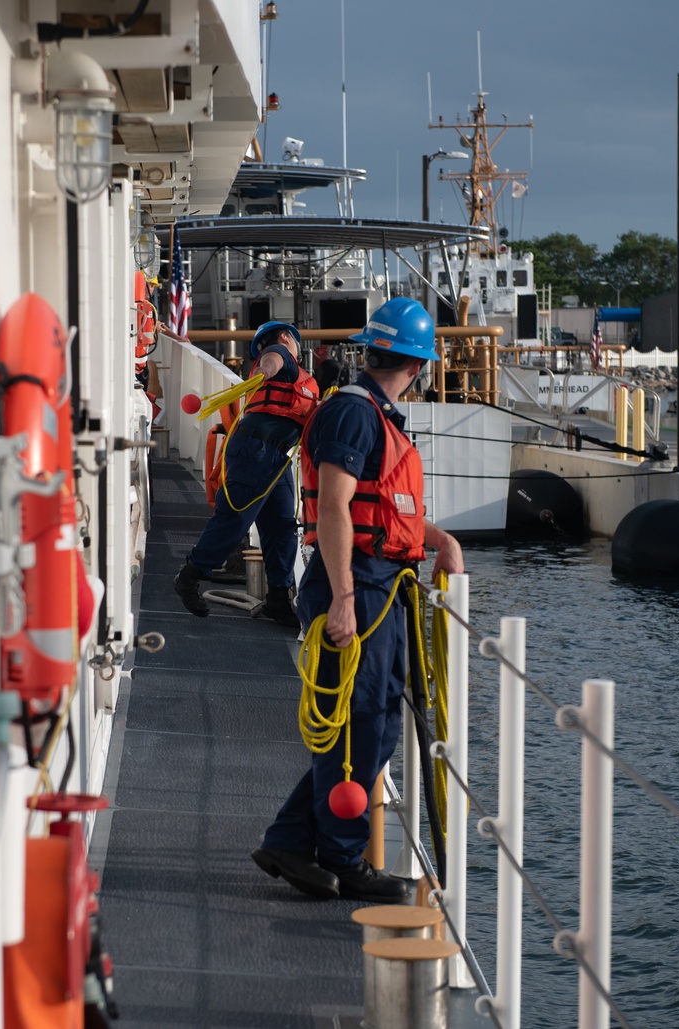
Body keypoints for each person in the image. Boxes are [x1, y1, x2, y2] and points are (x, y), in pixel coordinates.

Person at [251, 298, 464, 903]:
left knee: (370, 726)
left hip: (379, 583)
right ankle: (344, 860)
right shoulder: (355, 415)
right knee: (361, 725)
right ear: (419, 366)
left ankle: (292, 839)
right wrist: (344, 597)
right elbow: (340, 508)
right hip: (357, 586)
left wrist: (439, 539)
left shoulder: (371, 413)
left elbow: (385, 511)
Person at [173, 321, 319, 627]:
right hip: (257, 452)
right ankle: (190, 576)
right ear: (284, 337)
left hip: (276, 459)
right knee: (235, 518)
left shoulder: (299, 376)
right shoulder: (279, 354)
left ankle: (278, 599)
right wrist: (266, 370)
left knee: (281, 527)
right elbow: (271, 360)